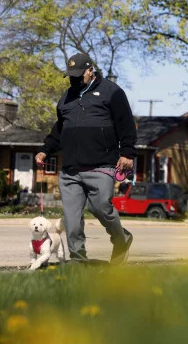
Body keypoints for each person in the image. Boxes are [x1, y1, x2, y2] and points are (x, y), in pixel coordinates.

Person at [35, 52, 136, 265]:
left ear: (90, 71)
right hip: (70, 169)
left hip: (101, 164)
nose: (74, 79)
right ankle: (78, 260)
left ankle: (122, 238)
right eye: (70, 75)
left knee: (101, 207)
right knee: (71, 219)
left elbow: (126, 123)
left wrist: (127, 153)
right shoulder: (66, 97)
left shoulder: (112, 92)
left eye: (78, 75)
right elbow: (60, 128)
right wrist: (46, 149)